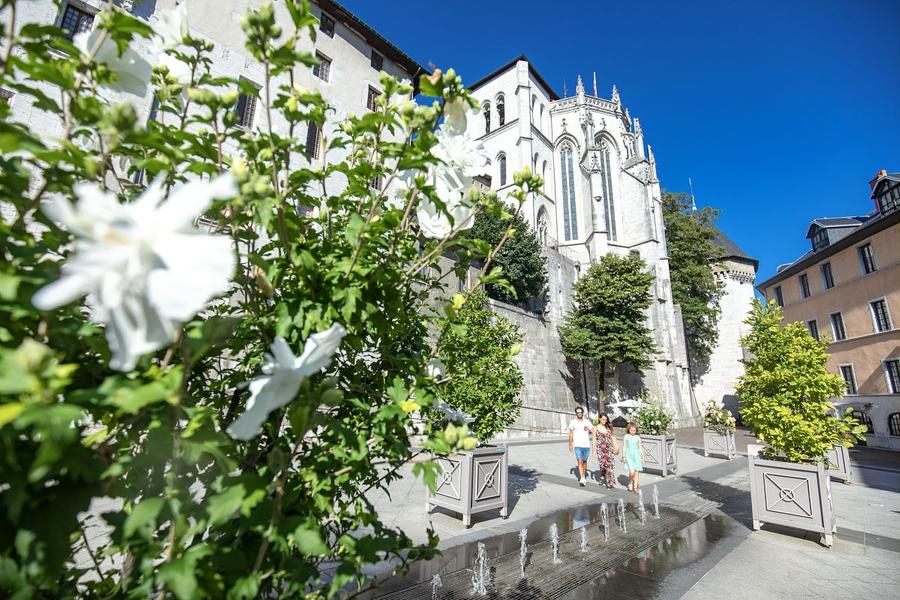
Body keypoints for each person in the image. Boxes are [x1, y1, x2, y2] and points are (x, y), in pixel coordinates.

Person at [568, 406, 595, 486]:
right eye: (578, 412)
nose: (579, 414)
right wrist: (570, 443)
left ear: (582, 413)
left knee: (584, 461)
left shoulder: (587, 422)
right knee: (579, 461)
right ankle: (582, 478)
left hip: (586, 445)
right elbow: (571, 433)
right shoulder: (573, 422)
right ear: (576, 413)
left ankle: (583, 473)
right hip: (577, 445)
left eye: (580, 412)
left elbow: (593, 430)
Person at [595, 413, 619, 488]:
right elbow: (593, 440)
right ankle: (602, 477)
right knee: (603, 466)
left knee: (610, 466)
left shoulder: (608, 428)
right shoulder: (595, 428)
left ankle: (610, 483)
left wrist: (615, 447)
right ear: (599, 419)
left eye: (606, 419)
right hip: (600, 450)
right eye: (603, 419)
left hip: (609, 449)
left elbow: (612, 438)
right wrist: (593, 450)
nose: (605, 421)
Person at [622, 421, 645, 492]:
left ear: (636, 430)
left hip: (637, 455)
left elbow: (640, 447)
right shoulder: (626, 436)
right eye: (631, 430)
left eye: (634, 430)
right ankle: (630, 482)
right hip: (629, 455)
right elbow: (624, 447)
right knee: (632, 472)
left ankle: (635, 487)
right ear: (628, 430)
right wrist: (624, 456)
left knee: (636, 471)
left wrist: (642, 457)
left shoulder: (638, 437)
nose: (632, 432)